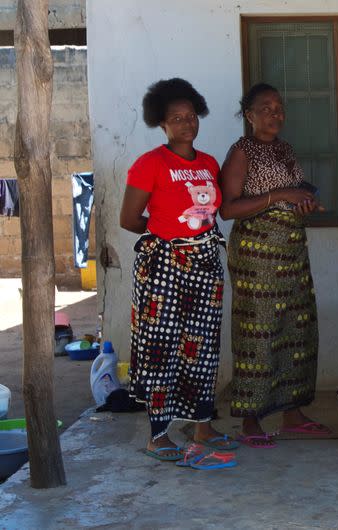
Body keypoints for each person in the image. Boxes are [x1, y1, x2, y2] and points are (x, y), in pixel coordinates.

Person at [120, 78, 236, 462]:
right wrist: (167, 240)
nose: (186, 123)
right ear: (162, 123)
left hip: (205, 266)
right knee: (161, 348)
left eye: (190, 116)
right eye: (176, 118)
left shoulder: (208, 164)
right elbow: (130, 219)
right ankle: (158, 435)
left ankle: (201, 424)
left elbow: (209, 213)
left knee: (202, 347)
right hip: (164, 269)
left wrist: (196, 244)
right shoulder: (149, 164)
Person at [219, 83, 328, 448]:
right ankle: (251, 418)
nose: (275, 113)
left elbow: (293, 192)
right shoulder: (241, 152)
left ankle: (293, 413)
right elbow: (228, 208)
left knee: (297, 328)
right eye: (266, 108)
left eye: (279, 107)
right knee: (259, 332)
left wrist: (303, 203)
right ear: (249, 115)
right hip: (257, 257)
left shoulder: (284, 148)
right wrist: (281, 195)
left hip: (292, 251)